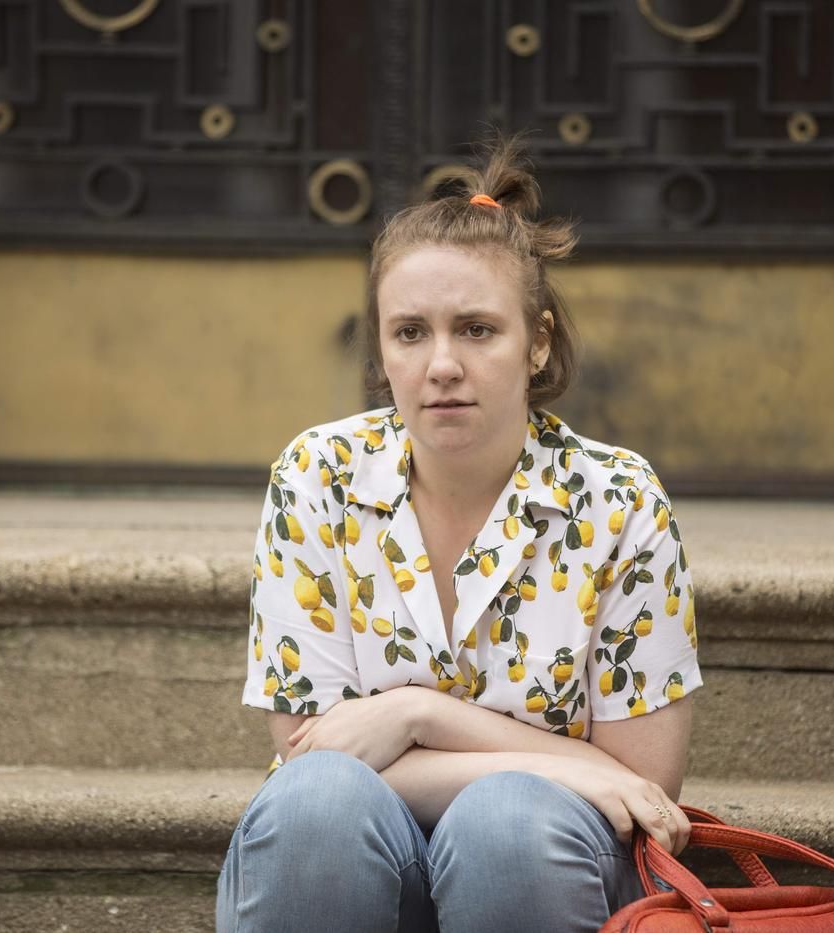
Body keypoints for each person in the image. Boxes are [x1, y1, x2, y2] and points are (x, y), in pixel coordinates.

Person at [216, 132, 702, 933]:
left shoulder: (617, 501)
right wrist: (559, 763)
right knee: (315, 811)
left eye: (476, 329)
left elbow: (644, 789)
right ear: (382, 348)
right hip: (352, 853)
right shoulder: (318, 476)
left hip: (541, 866)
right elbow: (315, 758)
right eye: (411, 332)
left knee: (505, 825)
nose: (441, 363)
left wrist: (416, 716)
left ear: (537, 341)